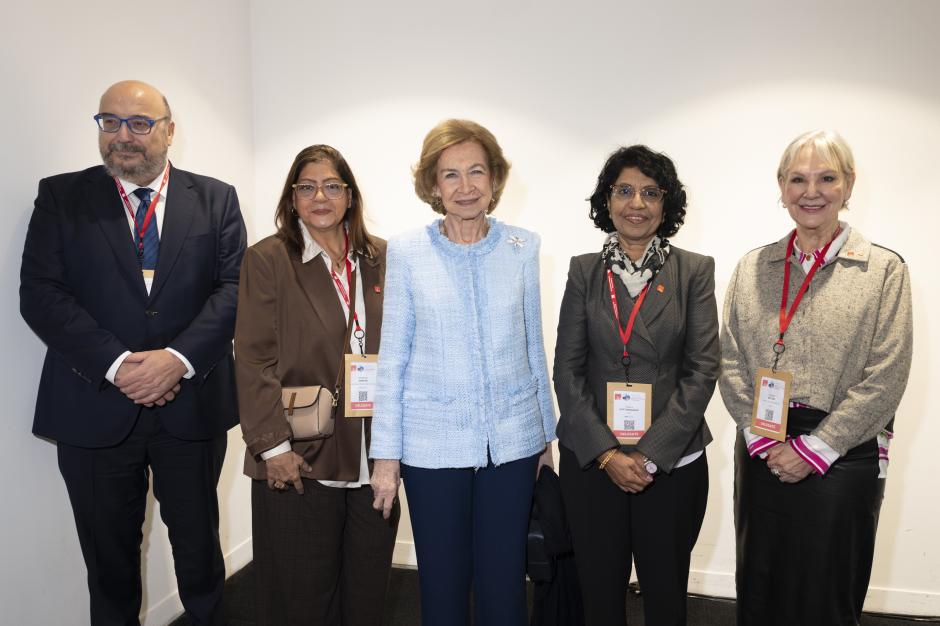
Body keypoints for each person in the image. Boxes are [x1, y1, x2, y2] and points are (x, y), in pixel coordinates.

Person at [19, 80, 246, 625]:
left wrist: (178, 360)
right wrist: (119, 365)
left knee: (200, 560)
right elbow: (41, 293)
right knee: (109, 569)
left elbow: (235, 288)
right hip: (93, 409)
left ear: (169, 131)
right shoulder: (61, 197)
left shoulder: (215, 198)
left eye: (140, 123)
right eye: (110, 122)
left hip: (190, 408)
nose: (124, 136)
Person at [720, 130, 913, 625]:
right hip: (763, 447)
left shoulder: (884, 270)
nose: (812, 191)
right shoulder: (752, 266)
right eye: (798, 179)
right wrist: (763, 440)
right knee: (761, 588)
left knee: (828, 595)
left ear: (848, 186)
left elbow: (886, 374)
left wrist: (815, 449)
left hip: (843, 456)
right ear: (781, 188)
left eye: (827, 178)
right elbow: (729, 357)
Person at [369, 119, 556, 626]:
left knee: (503, 585)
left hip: (513, 443)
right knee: (443, 585)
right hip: (431, 447)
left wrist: (545, 434)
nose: (466, 186)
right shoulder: (407, 251)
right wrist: (385, 455)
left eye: (477, 171)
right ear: (433, 185)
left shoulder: (524, 247)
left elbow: (532, 343)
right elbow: (394, 359)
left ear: (495, 179)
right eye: (451, 175)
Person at [554, 145, 719, 625]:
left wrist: (647, 454)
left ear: (667, 205)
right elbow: (567, 370)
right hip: (593, 460)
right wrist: (607, 454)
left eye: (650, 192)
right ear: (606, 201)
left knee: (666, 597)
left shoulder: (694, 271)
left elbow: (702, 369)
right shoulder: (584, 270)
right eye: (624, 190)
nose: (636, 203)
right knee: (599, 596)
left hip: (669, 463)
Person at [235, 145, 399, 626]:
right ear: (292, 198)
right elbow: (253, 359)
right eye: (306, 187)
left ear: (350, 194)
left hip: (375, 453)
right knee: (301, 597)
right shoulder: (268, 259)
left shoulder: (381, 257)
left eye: (332, 185)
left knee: (367, 591)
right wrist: (272, 449)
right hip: (301, 453)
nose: (320, 196)